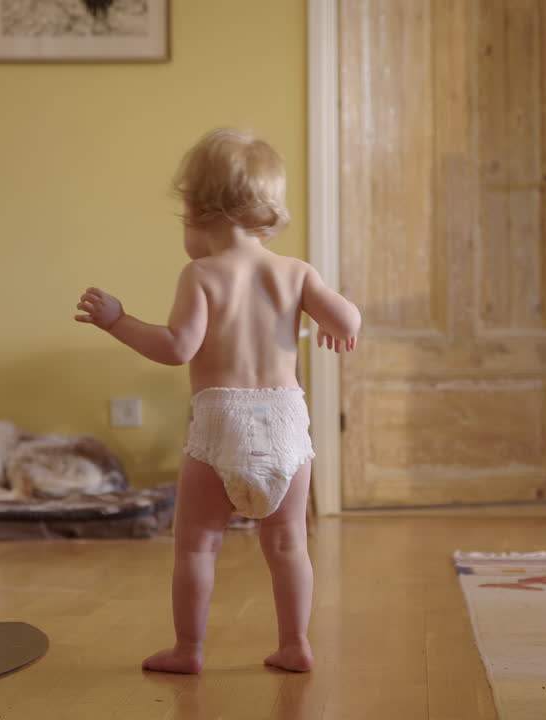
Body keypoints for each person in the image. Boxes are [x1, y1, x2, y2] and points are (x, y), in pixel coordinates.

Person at [76, 128, 361, 674]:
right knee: (287, 545)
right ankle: (296, 643)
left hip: (221, 419)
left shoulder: (201, 274)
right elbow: (347, 318)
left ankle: (189, 650)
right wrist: (337, 327)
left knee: (197, 546)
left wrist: (118, 321)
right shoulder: (296, 272)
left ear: (195, 210)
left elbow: (177, 348)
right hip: (283, 418)